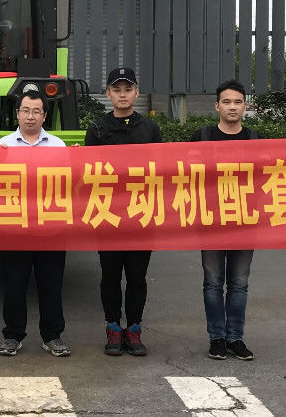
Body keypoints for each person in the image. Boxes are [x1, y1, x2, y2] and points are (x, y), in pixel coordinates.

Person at [84, 66, 163, 356]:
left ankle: (135, 329)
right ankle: (113, 328)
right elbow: (89, 173)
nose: (122, 94)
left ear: (136, 93)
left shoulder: (150, 129)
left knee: (137, 277)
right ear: (108, 94)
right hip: (108, 215)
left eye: (128, 89)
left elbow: (161, 169)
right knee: (110, 276)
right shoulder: (97, 129)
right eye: (116, 90)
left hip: (141, 214)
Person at [0, 90, 71, 357]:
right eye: (25, 110)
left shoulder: (58, 146)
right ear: (17, 113)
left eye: (36, 111)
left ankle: (52, 335)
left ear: (44, 116)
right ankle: (12, 335)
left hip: (50, 227)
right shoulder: (3, 146)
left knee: (51, 284)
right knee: (14, 285)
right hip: (14, 227)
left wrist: (78, 161)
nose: (30, 116)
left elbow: (69, 184)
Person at [190, 79, 262, 362]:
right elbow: (184, 173)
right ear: (217, 106)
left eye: (238, 102)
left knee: (239, 283)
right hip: (210, 220)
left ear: (245, 106)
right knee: (213, 282)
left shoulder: (255, 140)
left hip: (245, 220)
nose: (232, 107)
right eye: (227, 102)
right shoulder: (202, 137)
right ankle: (217, 338)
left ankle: (236, 337)